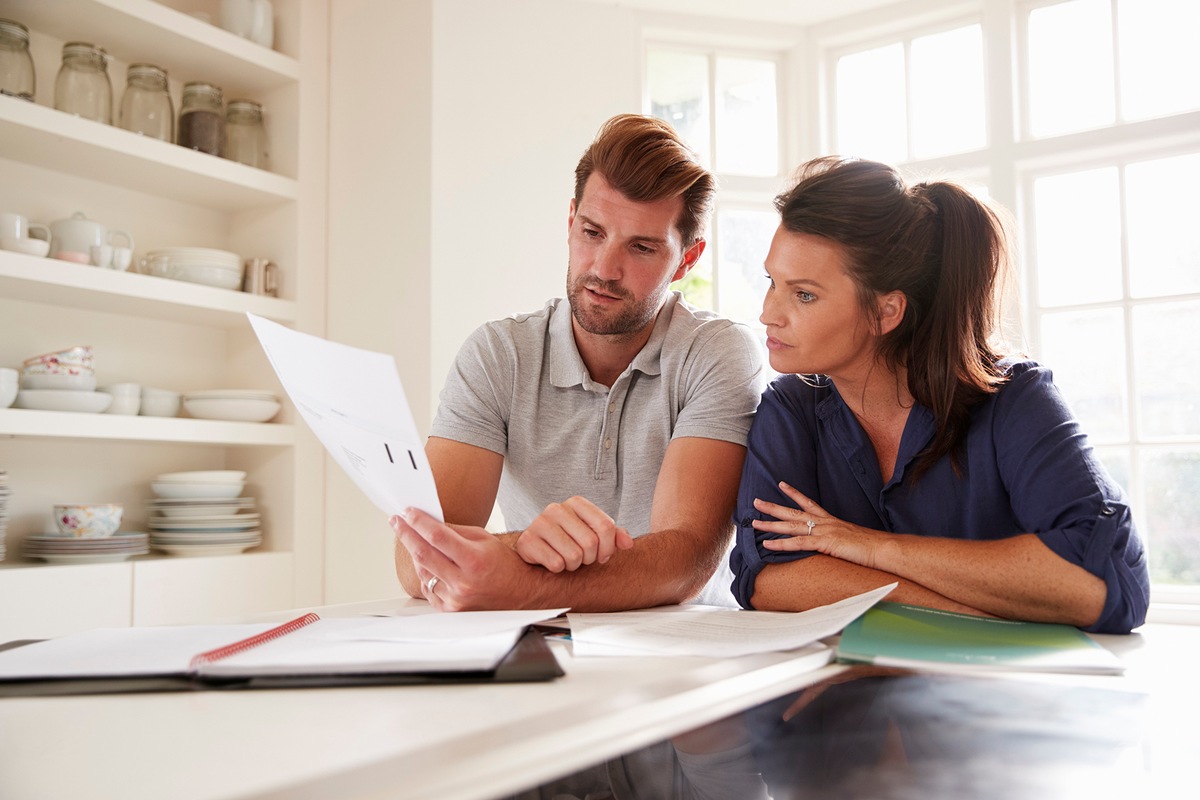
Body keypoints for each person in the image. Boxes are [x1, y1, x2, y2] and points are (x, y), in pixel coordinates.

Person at [730, 156, 1149, 635]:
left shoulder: (1015, 400)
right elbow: (769, 580)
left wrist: (868, 547)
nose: (768, 313)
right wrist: (977, 613)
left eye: (803, 294)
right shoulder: (791, 408)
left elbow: (1104, 585)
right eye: (772, 282)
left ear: (886, 312)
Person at [392, 113, 766, 612]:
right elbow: (414, 557)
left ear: (687, 259)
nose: (603, 269)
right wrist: (519, 546)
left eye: (641, 247)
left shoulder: (716, 352)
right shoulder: (498, 354)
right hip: (539, 644)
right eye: (592, 232)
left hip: (684, 653)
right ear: (570, 222)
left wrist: (521, 578)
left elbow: (684, 562)